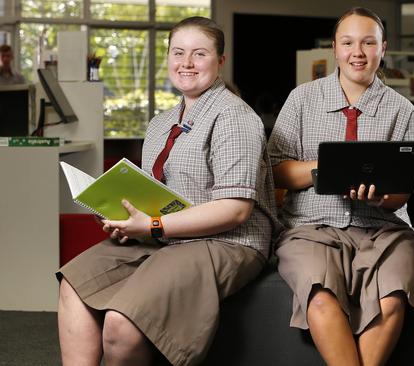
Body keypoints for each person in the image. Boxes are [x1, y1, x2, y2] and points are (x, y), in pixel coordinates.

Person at [56, 16, 279, 366]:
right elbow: (154, 196)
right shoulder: (161, 123)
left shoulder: (234, 116)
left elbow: (236, 210)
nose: (186, 63)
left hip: (228, 241)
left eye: (199, 54)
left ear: (220, 61)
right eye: (178, 53)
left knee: (121, 321)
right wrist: (121, 214)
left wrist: (153, 226)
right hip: (162, 237)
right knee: (74, 282)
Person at [267, 7, 414, 366]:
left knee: (393, 299)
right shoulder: (302, 99)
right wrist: (327, 168)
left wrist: (383, 196)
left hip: (384, 228)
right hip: (310, 227)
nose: (358, 52)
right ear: (335, 50)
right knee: (320, 297)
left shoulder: (401, 110)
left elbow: (404, 190)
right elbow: (276, 172)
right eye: (348, 43)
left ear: (382, 48)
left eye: (369, 42)